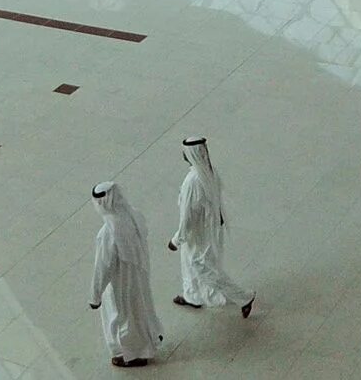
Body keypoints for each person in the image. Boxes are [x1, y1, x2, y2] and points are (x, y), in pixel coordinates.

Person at [168, 137, 255, 318]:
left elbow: (187, 217)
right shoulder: (209, 171)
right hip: (207, 230)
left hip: (198, 234)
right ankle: (192, 296)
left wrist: (176, 239)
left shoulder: (192, 181)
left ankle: (244, 297)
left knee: (204, 269)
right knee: (189, 265)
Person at [89, 182, 164, 368]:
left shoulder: (108, 232)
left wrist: (95, 295)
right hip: (139, 275)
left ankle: (132, 354)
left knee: (122, 316)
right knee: (141, 309)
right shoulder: (133, 215)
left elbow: (103, 266)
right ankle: (148, 341)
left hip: (119, 282)